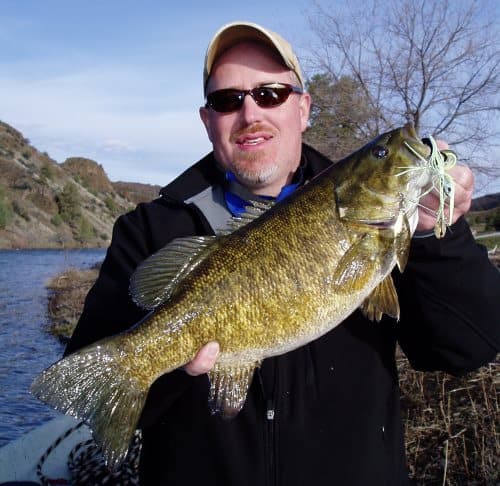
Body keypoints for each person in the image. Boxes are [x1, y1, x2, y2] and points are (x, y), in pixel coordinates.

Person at [65, 21, 500, 485]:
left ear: (303, 109)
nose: (250, 113)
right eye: (227, 100)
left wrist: (439, 237)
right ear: (207, 119)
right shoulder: (150, 231)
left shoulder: (390, 229)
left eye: (270, 94)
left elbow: (470, 347)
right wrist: (170, 366)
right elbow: (99, 382)